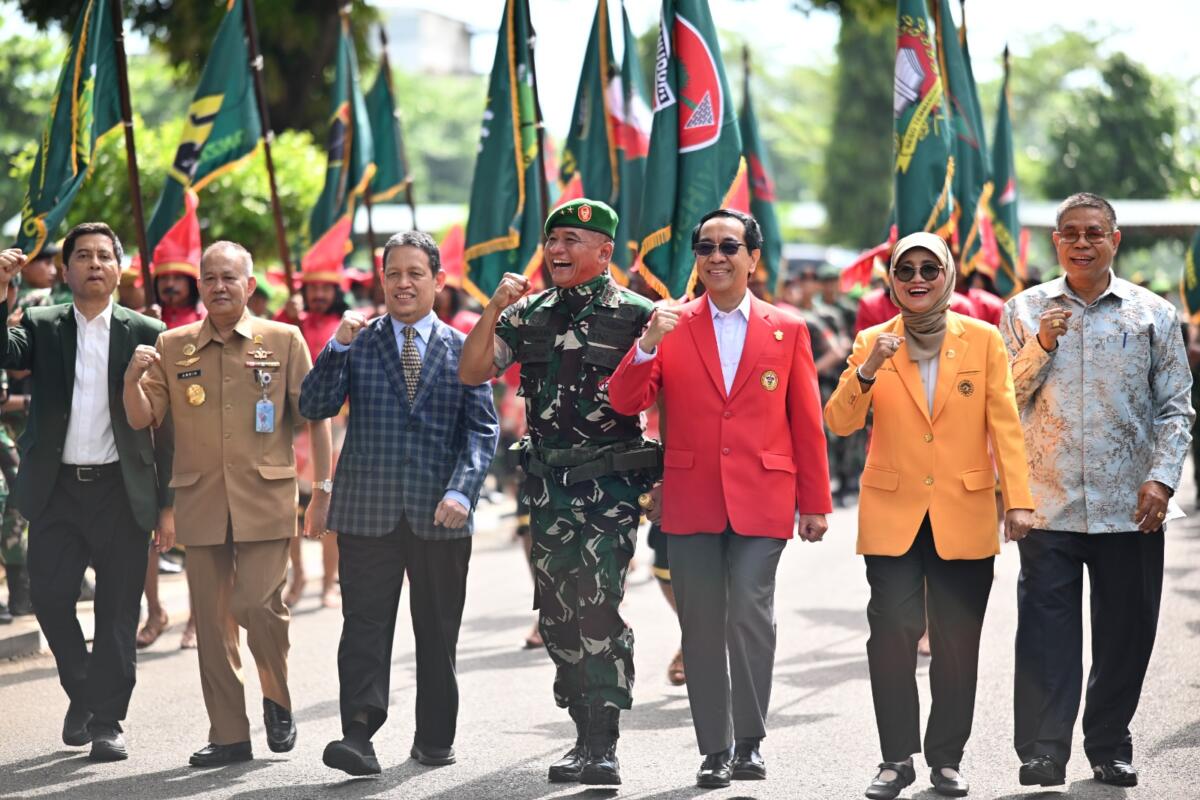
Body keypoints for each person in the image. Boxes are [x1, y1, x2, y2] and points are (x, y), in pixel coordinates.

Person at [607, 209, 831, 788]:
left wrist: (816, 502)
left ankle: (750, 741)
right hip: (692, 496)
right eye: (705, 247)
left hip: (764, 495)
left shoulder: (789, 328)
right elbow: (627, 401)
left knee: (749, 614)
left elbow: (806, 421)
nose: (716, 256)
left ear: (753, 258)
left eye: (729, 246)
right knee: (702, 624)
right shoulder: (672, 324)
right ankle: (714, 748)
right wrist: (648, 344)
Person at [825, 231, 1035, 800]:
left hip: (964, 511)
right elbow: (839, 422)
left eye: (929, 270)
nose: (917, 279)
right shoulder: (872, 339)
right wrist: (866, 369)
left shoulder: (985, 340)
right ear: (891, 280)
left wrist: (1016, 499)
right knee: (891, 635)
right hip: (892, 515)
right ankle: (895, 758)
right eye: (905, 271)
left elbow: (1006, 426)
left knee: (957, 642)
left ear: (947, 277)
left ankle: (946, 758)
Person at [459, 199, 660, 786]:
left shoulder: (637, 316)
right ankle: (580, 731)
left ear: (605, 252)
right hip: (549, 489)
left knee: (599, 608)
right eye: (553, 241)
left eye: (573, 240)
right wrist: (494, 308)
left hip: (610, 486)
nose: (558, 251)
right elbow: (473, 371)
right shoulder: (527, 315)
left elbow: (665, 397)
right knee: (556, 615)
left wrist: (667, 481)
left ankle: (603, 743)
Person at [1002, 193, 1194, 789]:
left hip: (1131, 508)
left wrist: (1162, 479)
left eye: (1093, 233)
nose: (1081, 243)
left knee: (1125, 634)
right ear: (1054, 243)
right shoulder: (1022, 311)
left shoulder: (1154, 315)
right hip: (1048, 504)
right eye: (1069, 233)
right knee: (1045, 636)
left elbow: (1176, 409)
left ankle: (1109, 743)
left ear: (1115, 241)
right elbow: (1000, 401)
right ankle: (1042, 751)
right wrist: (1042, 345)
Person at [123, 240, 333, 767]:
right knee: (214, 628)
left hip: (265, 496)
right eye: (209, 278)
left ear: (249, 285)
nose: (219, 286)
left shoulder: (283, 340)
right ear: (200, 286)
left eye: (229, 278)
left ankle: (276, 695)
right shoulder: (173, 346)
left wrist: (323, 489)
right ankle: (229, 734)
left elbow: (317, 414)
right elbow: (140, 417)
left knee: (257, 605)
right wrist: (131, 380)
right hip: (200, 499)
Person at [300, 231, 498, 776]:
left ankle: (435, 737)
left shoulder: (464, 348)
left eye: (416, 273)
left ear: (438, 281)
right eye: (394, 273)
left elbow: (482, 430)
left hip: (441, 513)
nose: (404, 283)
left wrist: (463, 489)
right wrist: (335, 345)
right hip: (368, 511)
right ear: (380, 280)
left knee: (436, 628)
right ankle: (358, 735)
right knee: (363, 626)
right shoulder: (357, 341)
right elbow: (313, 404)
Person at [0, 224, 174, 762]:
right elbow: (7, 353)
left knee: (118, 610)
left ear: (118, 269)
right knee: (51, 599)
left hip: (121, 490)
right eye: (83, 256)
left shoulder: (147, 330)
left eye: (104, 256)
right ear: (66, 269)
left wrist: (166, 503)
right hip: (56, 491)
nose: (94, 263)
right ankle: (84, 692)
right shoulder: (44, 323)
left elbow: (164, 428)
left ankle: (107, 722)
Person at [275, 268, 348, 609]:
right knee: (288, 508)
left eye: (325, 286)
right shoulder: (292, 324)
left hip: (338, 427)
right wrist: (285, 315)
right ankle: (299, 574)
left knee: (329, 506)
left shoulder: (348, 325)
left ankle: (329, 582)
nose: (318, 292)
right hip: (294, 426)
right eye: (312, 286)